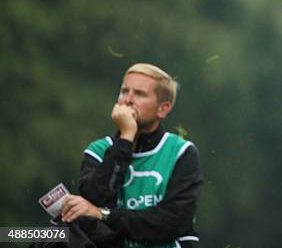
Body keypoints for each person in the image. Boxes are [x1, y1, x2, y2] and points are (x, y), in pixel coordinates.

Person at [59, 63, 203, 247]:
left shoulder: (181, 152)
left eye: (140, 94)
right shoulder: (98, 150)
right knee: (50, 236)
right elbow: (95, 200)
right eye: (124, 91)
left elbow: (171, 223)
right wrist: (126, 138)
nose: (127, 100)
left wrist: (105, 215)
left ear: (163, 109)